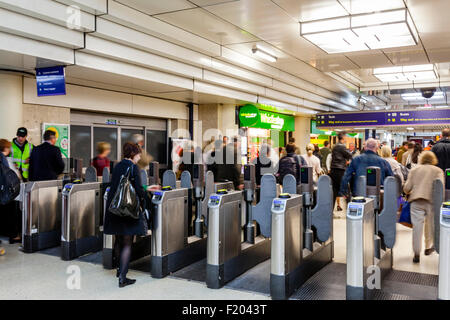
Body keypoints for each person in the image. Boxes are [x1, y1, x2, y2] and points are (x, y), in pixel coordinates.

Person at [103, 142, 150, 288]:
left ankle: (119, 270)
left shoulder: (118, 166)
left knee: (118, 240)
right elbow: (138, 190)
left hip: (114, 207)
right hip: (127, 210)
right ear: (133, 154)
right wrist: (147, 193)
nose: (140, 156)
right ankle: (123, 278)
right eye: (138, 154)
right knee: (128, 242)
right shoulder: (133, 167)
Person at [403, 151, 444, 263]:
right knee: (430, 225)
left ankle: (416, 253)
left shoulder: (415, 169)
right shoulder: (438, 171)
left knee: (417, 228)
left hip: (416, 201)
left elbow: (407, 188)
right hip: (431, 202)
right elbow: (440, 188)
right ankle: (428, 247)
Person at [0, 139, 22, 244]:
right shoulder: (5, 159)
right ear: (6, 148)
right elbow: (11, 176)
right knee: (11, 214)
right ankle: (13, 236)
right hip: (6, 192)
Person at [329, 133, 353, 211]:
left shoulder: (335, 146)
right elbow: (349, 155)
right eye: (346, 136)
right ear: (342, 137)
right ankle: (350, 210)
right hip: (340, 171)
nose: (346, 138)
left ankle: (330, 211)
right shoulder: (342, 146)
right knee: (346, 190)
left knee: (334, 191)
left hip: (333, 170)